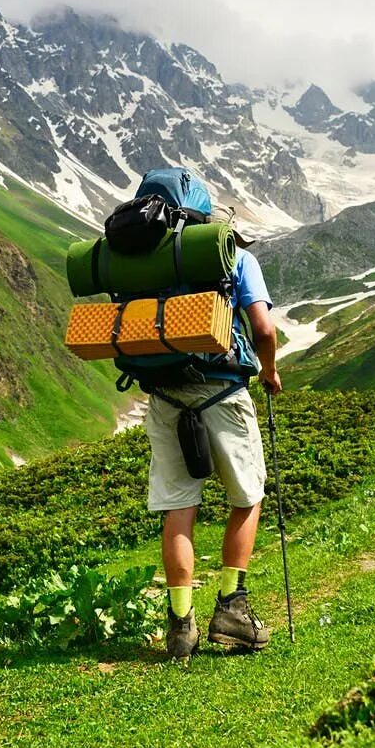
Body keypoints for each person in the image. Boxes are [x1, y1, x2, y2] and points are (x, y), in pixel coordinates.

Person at [146, 217, 281, 659]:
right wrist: (270, 372)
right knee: (248, 496)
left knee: (179, 506)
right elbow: (263, 329)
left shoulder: (153, 263)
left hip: (165, 395)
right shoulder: (237, 259)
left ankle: (180, 626)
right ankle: (231, 610)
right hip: (222, 390)